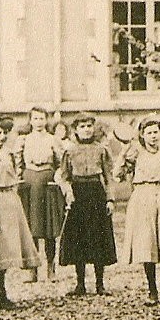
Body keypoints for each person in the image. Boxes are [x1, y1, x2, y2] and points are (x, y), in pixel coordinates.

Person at [117, 115, 160, 306]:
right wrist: (123, 152)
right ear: (142, 135)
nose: (153, 136)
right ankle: (152, 291)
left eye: (156, 132)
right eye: (149, 132)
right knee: (147, 246)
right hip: (142, 198)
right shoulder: (135, 156)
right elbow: (117, 175)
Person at [0, 117, 40, 309]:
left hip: (10, 200)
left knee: (9, 247)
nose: (2, 137)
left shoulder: (6, 152)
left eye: (4, 133)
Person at [55, 112, 117, 296]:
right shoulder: (69, 150)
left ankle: (100, 284)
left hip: (96, 193)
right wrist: (68, 192)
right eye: (82, 126)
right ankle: (80, 284)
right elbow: (63, 177)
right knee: (78, 239)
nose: (86, 129)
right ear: (75, 130)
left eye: (89, 126)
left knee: (99, 237)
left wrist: (110, 199)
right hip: (78, 194)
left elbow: (108, 176)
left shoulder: (102, 149)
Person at [18, 106, 66, 282]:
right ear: (30, 120)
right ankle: (32, 269)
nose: (38, 122)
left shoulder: (53, 140)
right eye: (35, 119)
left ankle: (51, 268)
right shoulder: (24, 140)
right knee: (31, 227)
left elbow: (62, 163)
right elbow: (18, 163)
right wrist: (19, 182)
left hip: (47, 182)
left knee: (49, 229)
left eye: (41, 119)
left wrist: (58, 178)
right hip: (30, 182)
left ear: (47, 120)